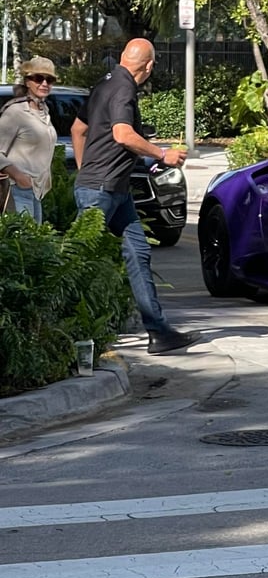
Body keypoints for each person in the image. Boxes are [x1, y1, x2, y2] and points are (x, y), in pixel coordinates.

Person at [71, 39, 198, 354]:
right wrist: (163, 154)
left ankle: (159, 332)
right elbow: (122, 134)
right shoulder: (124, 88)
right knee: (78, 263)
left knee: (138, 252)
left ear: (123, 57)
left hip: (114, 190)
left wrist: (85, 169)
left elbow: (77, 129)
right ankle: (63, 335)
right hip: (101, 191)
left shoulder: (105, 83)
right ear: (150, 66)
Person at [0, 56, 59, 221]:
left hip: (36, 191)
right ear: (27, 82)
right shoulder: (15, 112)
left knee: (34, 236)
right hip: (17, 189)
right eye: (39, 78)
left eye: (50, 80)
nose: (44, 84)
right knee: (22, 235)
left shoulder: (44, 111)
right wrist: (19, 176)